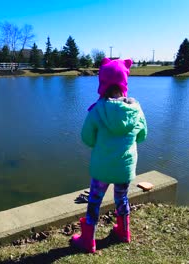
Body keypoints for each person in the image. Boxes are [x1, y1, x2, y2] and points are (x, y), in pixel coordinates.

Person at [71, 58, 147, 253]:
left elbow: (86, 138)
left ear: (102, 83)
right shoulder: (136, 109)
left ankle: (88, 241)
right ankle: (123, 232)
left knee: (94, 201)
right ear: (124, 82)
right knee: (121, 198)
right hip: (124, 167)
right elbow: (142, 135)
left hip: (102, 168)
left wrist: (101, 144)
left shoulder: (97, 110)